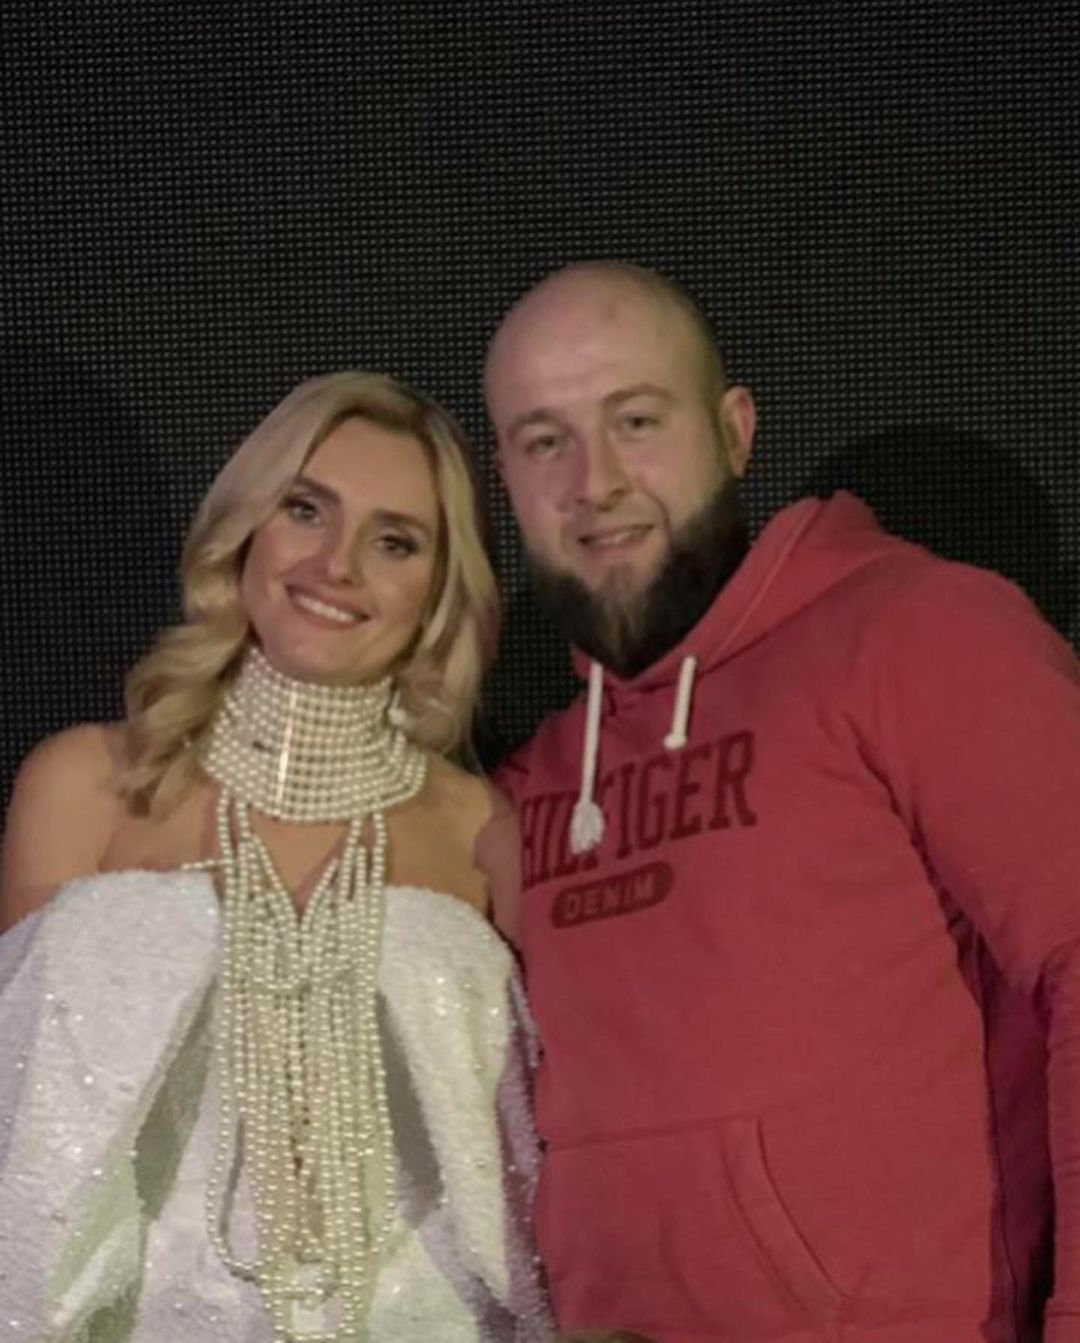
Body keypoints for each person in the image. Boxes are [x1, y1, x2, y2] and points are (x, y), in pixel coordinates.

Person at [484, 260, 1080, 1343]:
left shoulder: (917, 631)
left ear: (734, 431)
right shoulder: (529, 782)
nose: (594, 480)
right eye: (544, 440)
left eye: (636, 420)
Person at [0, 371, 553, 1341]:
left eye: (394, 540)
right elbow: (21, 1137)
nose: (337, 564)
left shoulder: (488, 831)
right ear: (245, 527)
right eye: (305, 509)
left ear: (439, 587)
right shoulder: (84, 787)